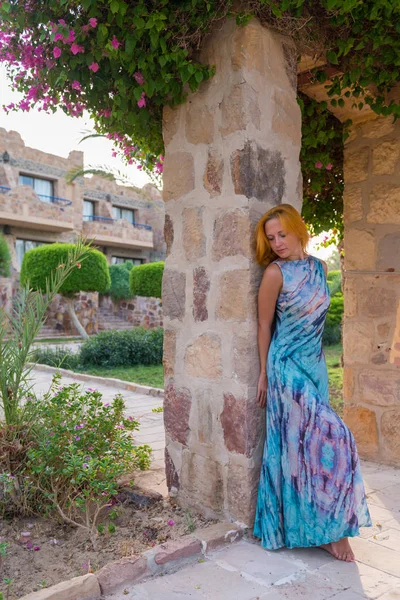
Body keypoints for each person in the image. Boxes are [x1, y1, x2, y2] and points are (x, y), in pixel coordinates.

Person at [253, 203, 372, 563]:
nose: (277, 242)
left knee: (305, 449)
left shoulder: (319, 267)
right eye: (271, 238)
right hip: (285, 367)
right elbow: (264, 326)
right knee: (338, 436)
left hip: (314, 366)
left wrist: (320, 366)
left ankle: (318, 530)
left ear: (298, 230)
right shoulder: (275, 273)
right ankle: (332, 531)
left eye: (282, 234)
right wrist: (264, 372)